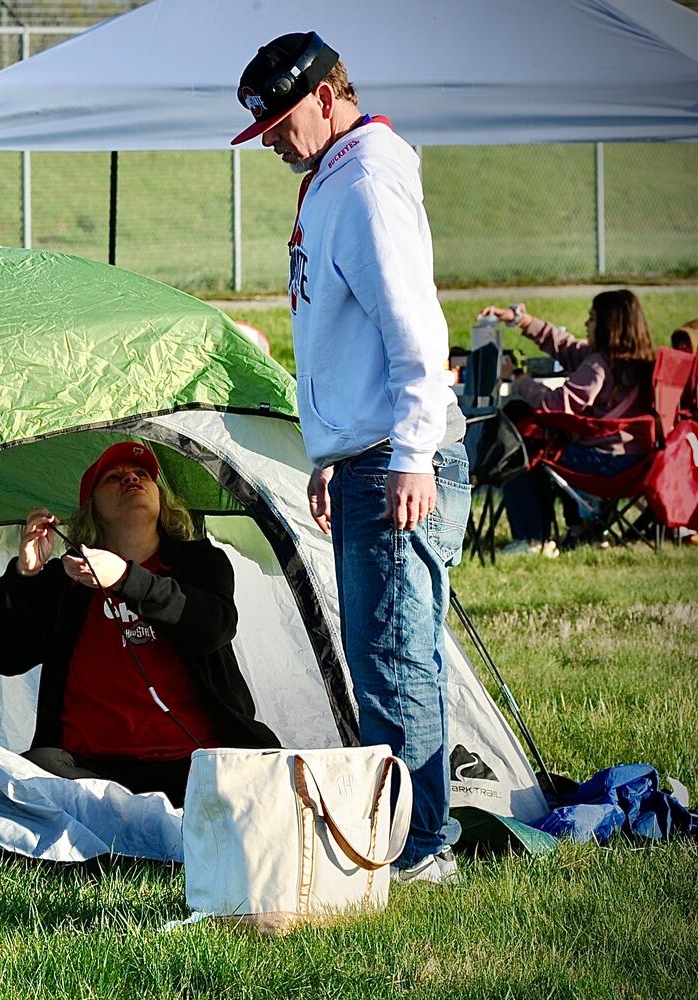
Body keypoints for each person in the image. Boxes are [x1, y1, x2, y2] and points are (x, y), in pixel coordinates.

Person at [232, 32, 470, 883]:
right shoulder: (333, 176)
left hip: (397, 461)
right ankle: (417, 835)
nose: (271, 141)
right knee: (389, 656)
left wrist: (408, 453)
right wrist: (332, 447)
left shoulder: (365, 179)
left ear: (328, 95)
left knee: (392, 659)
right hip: (367, 455)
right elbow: (344, 332)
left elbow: (414, 331)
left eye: (281, 121)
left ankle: (419, 851)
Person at [0, 441, 279, 808]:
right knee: (33, 773)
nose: (131, 478)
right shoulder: (65, 580)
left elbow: (212, 628)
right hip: (93, 773)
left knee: (276, 782)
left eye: (142, 474)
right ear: (92, 509)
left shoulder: (199, 561)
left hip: (199, 764)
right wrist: (24, 573)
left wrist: (126, 579)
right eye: (114, 477)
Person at [483, 291, 656, 555]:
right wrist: (523, 320)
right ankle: (583, 528)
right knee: (557, 445)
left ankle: (532, 539)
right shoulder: (640, 361)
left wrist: (518, 378)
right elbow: (566, 347)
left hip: (606, 463)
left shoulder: (598, 366)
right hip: (639, 461)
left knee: (521, 454)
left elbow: (552, 405)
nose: (587, 324)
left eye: (592, 319)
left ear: (610, 326)